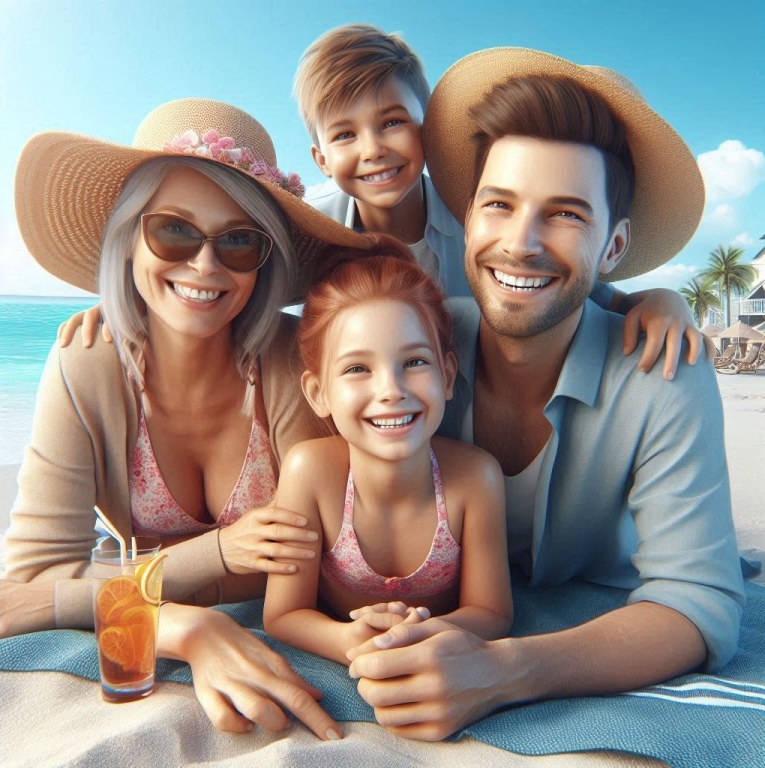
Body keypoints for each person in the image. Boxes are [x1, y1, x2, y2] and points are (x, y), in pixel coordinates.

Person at [343, 48, 746, 741]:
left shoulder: (663, 374)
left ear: (614, 246)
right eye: (499, 205)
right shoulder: (408, 352)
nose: (520, 243)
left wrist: (506, 671)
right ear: (468, 219)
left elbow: (698, 602)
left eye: (564, 214)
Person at [0, 97, 387, 739]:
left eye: (239, 241)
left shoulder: (297, 362)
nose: (205, 265)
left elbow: (325, 557)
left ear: (265, 262)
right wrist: (189, 619)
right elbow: (33, 582)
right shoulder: (86, 366)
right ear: (127, 238)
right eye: (174, 231)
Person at [294, 23, 709, 380]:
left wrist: (660, 300)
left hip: (473, 401)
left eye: (392, 122)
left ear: (427, 128)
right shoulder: (309, 232)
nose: (373, 150)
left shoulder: (480, 214)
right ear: (321, 160)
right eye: (345, 134)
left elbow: (582, 284)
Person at [263, 256, 512, 664]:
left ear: (447, 376)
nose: (390, 390)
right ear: (318, 393)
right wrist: (349, 641)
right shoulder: (308, 471)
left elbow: (493, 613)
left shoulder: (475, 478)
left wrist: (416, 639)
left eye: (414, 362)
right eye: (358, 368)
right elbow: (283, 613)